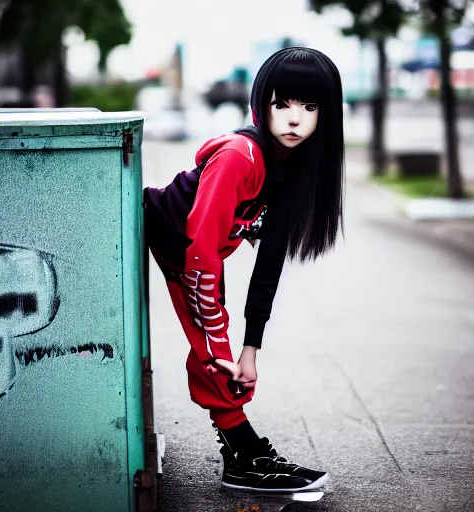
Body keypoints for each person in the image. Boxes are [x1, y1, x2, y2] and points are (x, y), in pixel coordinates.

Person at [144, 47, 345, 493]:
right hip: (173, 242)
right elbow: (200, 250)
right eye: (283, 104)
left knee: (222, 355)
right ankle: (244, 456)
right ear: (261, 105)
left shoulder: (290, 171)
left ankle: (244, 453)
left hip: (193, 253)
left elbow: (269, 264)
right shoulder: (242, 156)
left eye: (310, 107)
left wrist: (249, 347)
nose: (295, 119)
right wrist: (220, 343)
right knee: (214, 355)